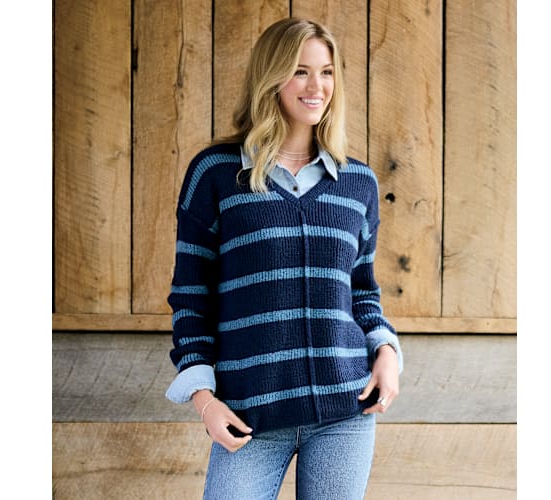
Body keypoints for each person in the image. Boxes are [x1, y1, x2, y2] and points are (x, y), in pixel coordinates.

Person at [165, 17, 403, 499]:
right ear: (270, 77)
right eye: (300, 71)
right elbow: (191, 299)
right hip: (248, 415)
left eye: (327, 72)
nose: (317, 87)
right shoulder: (216, 175)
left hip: (344, 411)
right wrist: (205, 401)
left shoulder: (358, 183)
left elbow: (362, 292)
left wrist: (386, 353)